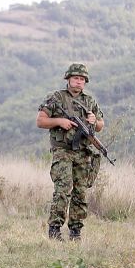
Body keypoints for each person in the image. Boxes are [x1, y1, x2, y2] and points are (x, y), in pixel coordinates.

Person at [36, 63, 105, 241]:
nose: (79, 82)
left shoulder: (90, 101)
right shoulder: (56, 98)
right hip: (63, 151)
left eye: (82, 79)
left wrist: (93, 120)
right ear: (68, 79)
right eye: (76, 78)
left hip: (83, 153)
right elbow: (41, 121)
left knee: (80, 192)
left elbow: (100, 126)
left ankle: (76, 232)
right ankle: (54, 230)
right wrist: (59, 121)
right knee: (63, 189)